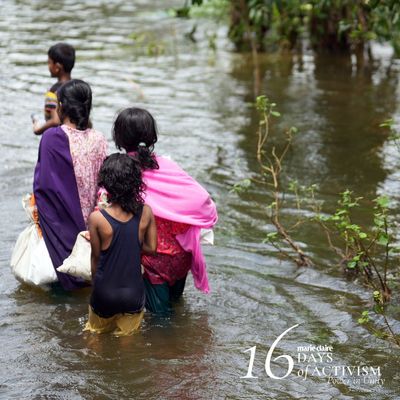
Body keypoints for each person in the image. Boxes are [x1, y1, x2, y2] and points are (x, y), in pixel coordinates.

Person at [112, 107, 218, 314]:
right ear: (152, 137)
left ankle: (169, 347)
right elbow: (203, 199)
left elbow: (110, 216)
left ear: (119, 138)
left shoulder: (121, 171)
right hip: (181, 257)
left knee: (160, 325)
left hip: (154, 261)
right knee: (177, 308)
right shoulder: (167, 165)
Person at [33, 79, 107, 290]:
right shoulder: (99, 138)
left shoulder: (51, 137)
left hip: (65, 225)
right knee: (89, 282)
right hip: (95, 226)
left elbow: (44, 187)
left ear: (61, 106)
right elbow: (105, 183)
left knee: (62, 284)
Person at [84, 154, 157, 336]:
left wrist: (96, 286)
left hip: (104, 293)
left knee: (94, 336)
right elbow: (152, 248)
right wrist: (130, 245)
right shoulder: (146, 212)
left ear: (106, 184)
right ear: (136, 183)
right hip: (133, 294)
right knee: (128, 345)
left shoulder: (97, 218)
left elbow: (96, 258)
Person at [33, 43, 75, 135]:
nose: (48, 66)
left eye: (49, 62)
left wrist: (37, 129)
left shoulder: (53, 91)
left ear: (57, 67)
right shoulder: (77, 87)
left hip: (57, 138)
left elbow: (55, 121)